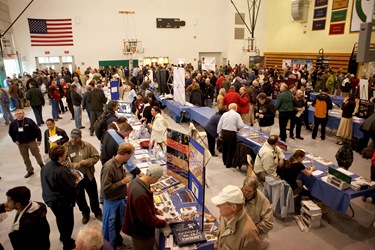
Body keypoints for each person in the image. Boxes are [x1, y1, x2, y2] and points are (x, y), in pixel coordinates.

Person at [41, 145, 78, 250]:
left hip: (50, 199)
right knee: (68, 222)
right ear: (60, 157)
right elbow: (71, 186)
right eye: (64, 154)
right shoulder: (61, 170)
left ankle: (63, 236)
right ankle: (67, 243)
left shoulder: (46, 167)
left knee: (60, 220)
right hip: (62, 202)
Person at [122, 164, 167, 250]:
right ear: (154, 178)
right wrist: (163, 223)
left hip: (136, 227)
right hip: (141, 233)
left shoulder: (135, 182)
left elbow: (143, 206)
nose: (156, 181)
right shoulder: (140, 194)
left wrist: (155, 210)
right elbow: (147, 219)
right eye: (157, 179)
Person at [64, 128, 102, 224]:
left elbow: (96, 156)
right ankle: (85, 213)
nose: (73, 139)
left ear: (80, 137)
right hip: (75, 178)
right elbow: (62, 161)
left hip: (88, 175)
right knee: (79, 197)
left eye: (75, 138)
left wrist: (87, 161)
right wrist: (72, 165)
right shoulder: (66, 147)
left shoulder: (87, 146)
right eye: (72, 137)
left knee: (93, 195)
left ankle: (97, 212)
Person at [101, 143, 134, 249]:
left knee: (118, 225)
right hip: (112, 203)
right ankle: (113, 246)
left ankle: (118, 241)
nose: (130, 158)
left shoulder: (119, 164)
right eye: (130, 155)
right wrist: (123, 182)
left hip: (120, 200)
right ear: (125, 154)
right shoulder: (109, 167)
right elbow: (106, 190)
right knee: (110, 229)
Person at [211, 185, 261, 250]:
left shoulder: (249, 234)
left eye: (221, 204)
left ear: (233, 207)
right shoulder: (225, 216)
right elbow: (219, 238)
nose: (217, 206)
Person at [8, 109, 44, 178]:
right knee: (25, 158)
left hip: (31, 141)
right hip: (21, 144)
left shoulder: (29, 121)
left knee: (36, 154)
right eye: (17, 114)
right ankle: (30, 170)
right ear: (15, 115)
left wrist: (39, 139)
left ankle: (42, 165)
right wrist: (14, 140)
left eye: (20, 113)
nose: (19, 115)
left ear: (23, 113)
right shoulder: (13, 124)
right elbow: (11, 133)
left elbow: (37, 130)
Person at [242, 177, 274, 249]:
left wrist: (253, 230)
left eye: (250, 191)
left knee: (265, 242)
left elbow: (268, 223)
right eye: (245, 190)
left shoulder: (263, 200)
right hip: (237, 226)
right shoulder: (237, 193)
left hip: (254, 228)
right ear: (243, 186)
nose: (246, 193)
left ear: (255, 190)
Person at [217, 103, 245, 168]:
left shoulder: (224, 114)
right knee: (231, 148)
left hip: (224, 132)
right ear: (236, 108)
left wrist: (219, 133)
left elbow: (220, 124)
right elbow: (241, 125)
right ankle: (228, 163)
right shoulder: (237, 115)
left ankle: (224, 161)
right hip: (231, 133)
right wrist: (236, 127)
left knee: (225, 147)